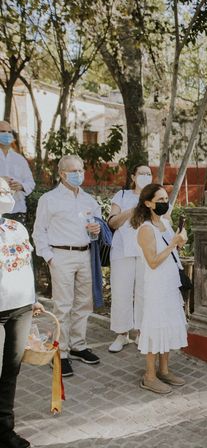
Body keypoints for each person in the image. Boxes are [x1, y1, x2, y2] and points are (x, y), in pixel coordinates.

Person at [33, 155, 102, 376]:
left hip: (85, 255)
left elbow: (97, 225)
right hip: (61, 255)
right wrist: (49, 257)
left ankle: (78, 345)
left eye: (81, 170)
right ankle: (60, 352)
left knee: (84, 303)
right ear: (62, 173)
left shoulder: (89, 200)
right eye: (73, 171)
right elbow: (39, 231)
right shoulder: (49, 199)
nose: (78, 174)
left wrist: (96, 231)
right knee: (63, 305)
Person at [132, 184, 188, 394]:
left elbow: (173, 250)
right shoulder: (146, 229)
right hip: (156, 285)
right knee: (155, 327)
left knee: (168, 324)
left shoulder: (165, 222)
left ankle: (164, 370)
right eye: (161, 200)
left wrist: (180, 241)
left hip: (170, 282)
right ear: (148, 203)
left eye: (166, 199)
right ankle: (149, 375)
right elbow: (153, 261)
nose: (165, 203)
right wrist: (174, 244)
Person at [0, 178, 43, 448]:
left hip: (20, 308)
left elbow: (26, 266)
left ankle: (4, 430)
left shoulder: (16, 228)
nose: (5, 195)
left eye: (6, 191)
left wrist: (34, 299)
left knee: (10, 371)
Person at [107, 164, 154, 353]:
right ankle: (121, 334)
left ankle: (142, 332)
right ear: (133, 177)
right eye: (141, 173)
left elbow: (165, 220)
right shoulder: (122, 196)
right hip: (122, 250)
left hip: (146, 250)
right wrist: (132, 210)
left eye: (149, 174)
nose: (145, 176)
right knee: (121, 292)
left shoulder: (155, 194)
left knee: (144, 292)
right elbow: (112, 222)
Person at [0, 121, 35, 225]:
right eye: (2, 131)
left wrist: (21, 186)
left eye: (9, 132)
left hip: (17, 211)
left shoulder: (19, 159)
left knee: (16, 240)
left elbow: (31, 182)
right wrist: (1, 181)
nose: (6, 134)